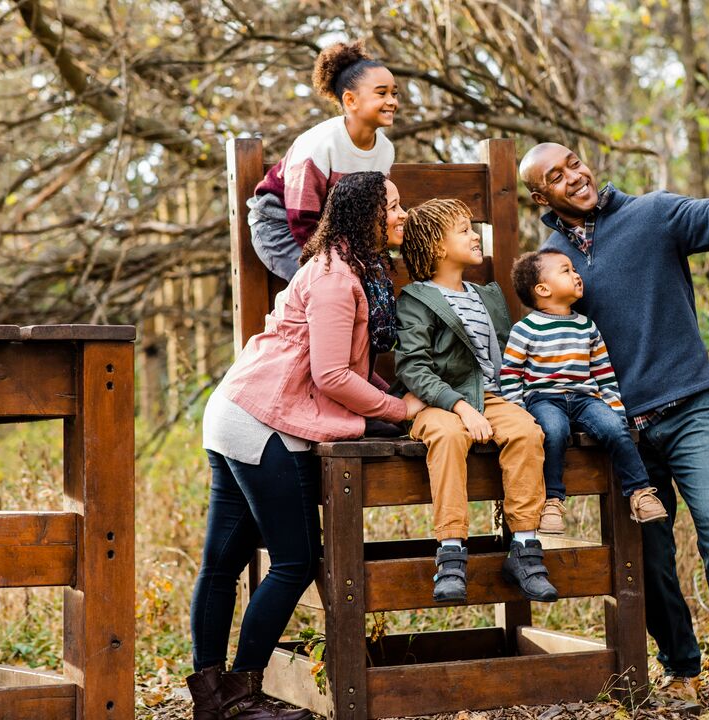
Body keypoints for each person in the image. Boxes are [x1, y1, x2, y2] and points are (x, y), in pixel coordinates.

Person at [517, 101, 709, 720]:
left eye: (576, 164)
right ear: (542, 196)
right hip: (622, 431)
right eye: (558, 176)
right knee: (648, 558)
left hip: (691, 411)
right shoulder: (548, 267)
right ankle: (679, 667)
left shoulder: (654, 214)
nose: (576, 176)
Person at [188, 172, 425, 720]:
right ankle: (240, 697)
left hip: (240, 410)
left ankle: (212, 698)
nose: (401, 215)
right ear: (366, 215)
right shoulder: (337, 279)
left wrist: (392, 399)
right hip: (263, 420)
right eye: (392, 206)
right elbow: (333, 374)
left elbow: (346, 365)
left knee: (221, 564)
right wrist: (399, 411)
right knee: (295, 561)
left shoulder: (347, 268)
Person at [394, 198, 556, 604]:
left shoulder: (488, 295)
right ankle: (450, 552)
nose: (474, 235)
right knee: (448, 438)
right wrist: (460, 406)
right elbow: (413, 368)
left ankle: (524, 546)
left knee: (526, 433)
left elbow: (507, 356)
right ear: (436, 246)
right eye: (464, 229)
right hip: (439, 402)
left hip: (491, 398)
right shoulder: (416, 299)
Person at [500, 249, 668, 535]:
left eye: (574, 269)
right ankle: (552, 501)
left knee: (615, 428)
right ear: (543, 289)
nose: (576, 274)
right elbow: (510, 374)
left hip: (584, 399)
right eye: (566, 271)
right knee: (553, 431)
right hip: (544, 399)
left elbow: (603, 372)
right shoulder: (525, 329)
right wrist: (519, 414)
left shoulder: (587, 326)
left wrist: (614, 408)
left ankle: (640, 493)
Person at [248, 40, 398, 281]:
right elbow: (301, 219)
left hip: (331, 234)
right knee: (328, 281)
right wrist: (338, 265)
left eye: (394, 93)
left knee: (367, 281)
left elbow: (369, 212)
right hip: (280, 227)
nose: (392, 101)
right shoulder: (318, 145)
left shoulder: (385, 151)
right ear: (350, 101)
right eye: (382, 93)